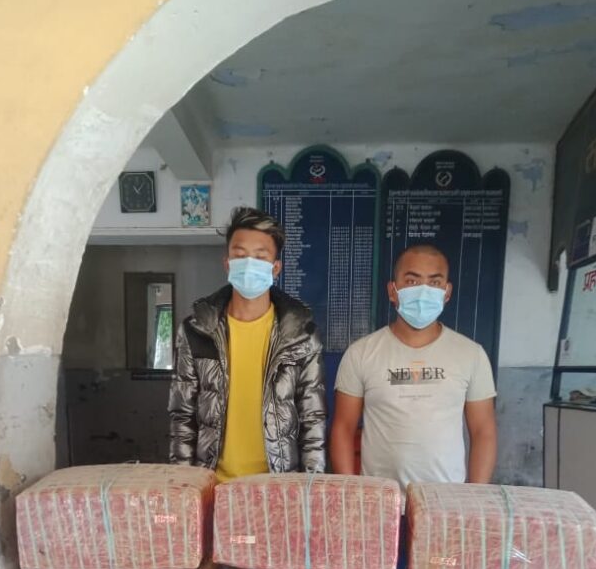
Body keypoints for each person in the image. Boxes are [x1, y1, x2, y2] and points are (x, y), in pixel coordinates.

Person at [169, 206, 326, 479]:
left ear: (275, 268)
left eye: (260, 257)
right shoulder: (197, 330)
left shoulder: (301, 334)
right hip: (212, 484)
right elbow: (182, 416)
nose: (249, 264)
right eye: (240, 255)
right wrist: (183, 485)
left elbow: (312, 420)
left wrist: (311, 489)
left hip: (275, 487)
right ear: (227, 263)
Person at [330, 244, 497, 490]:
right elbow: (343, 428)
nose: (423, 291)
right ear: (393, 291)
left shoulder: (471, 355)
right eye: (412, 281)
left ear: (447, 292)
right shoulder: (361, 354)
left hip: (446, 499)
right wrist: (354, 493)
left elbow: (483, 431)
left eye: (434, 282)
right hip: (381, 499)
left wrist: (474, 495)